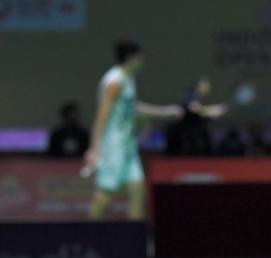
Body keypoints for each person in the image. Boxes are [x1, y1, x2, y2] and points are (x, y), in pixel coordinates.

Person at [84, 40, 182, 220]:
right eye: (140, 56)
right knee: (105, 193)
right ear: (131, 57)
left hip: (127, 145)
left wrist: (165, 112)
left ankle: (135, 235)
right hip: (112, 145)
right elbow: (101, 116)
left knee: (137, 190)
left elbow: (132, 109)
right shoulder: (114, 81)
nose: (142, 60)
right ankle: (87, 233)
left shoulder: (128, 79)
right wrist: (93, 149)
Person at [165, 76, 228, 156]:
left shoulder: (197, 97)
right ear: (199, 86)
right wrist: (214, 110)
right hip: (183, 132)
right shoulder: (192, 95)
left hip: (190, 132)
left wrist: (214, 111)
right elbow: (196, 109)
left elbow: (200, 111)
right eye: (205, 85)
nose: (207, 88)